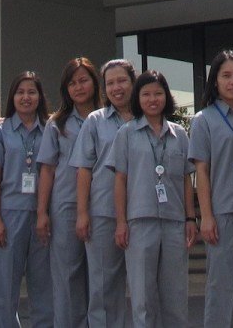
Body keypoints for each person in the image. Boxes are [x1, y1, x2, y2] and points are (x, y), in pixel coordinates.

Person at [108, 70, 196, 327]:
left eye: (158, 93)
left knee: (176, 297)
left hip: (174, 222)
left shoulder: (179, 134)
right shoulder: (126, 133)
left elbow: (185, 179)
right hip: (139, 221)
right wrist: (121, 222)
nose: (152, 99)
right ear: (138, 98)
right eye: (146, 94)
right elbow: (120, 180)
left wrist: (191, 218)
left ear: (167, 97)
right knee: (143, 299)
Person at [189, 50, 233, 328]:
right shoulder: (204, 119)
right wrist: (206, 216)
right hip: (223, 212)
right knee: (222, 288)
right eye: (226, 76)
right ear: (215, 81)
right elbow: (201, 172)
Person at [0, 71, 54, 328]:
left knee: (43, 284)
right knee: (6, 285)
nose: (26, 97)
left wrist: (44, 212)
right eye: (20, 92)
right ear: (12, 97)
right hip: (9, 213)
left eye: (31, 92)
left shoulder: (50, 129)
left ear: (40, 97)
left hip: (42, 214)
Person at [72, 59, 136, 328]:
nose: (116, 88)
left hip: (141, 211)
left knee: (142, 286)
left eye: (122, 81)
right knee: (102, 287)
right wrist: (82, 213)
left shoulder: (148, 116)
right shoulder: (95, 122)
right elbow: (84, 170)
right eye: (110, 83)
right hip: (103, 212)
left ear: (133, 82)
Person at [36, 57, 99, 327]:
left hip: (102, 204)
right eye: (72, 83)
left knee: (99, 275)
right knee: (67, 276)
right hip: (66, 205)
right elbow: (48, 169)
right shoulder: (57, 123)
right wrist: (42, 212)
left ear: (95, 83)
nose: (78, 87)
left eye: (83, 80)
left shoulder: (108, 119)